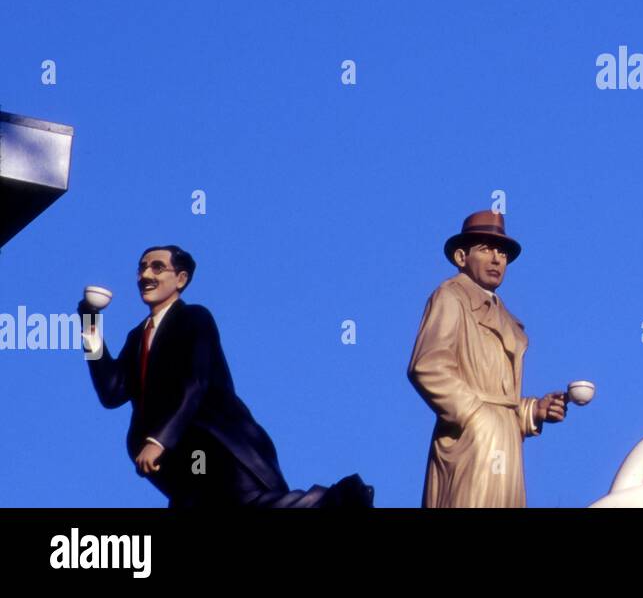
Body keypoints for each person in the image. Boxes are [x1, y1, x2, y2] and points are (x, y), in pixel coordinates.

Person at [81, 245, 373, 507]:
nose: (146, 274)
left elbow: (195, 384)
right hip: (180, 465)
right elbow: (112, 391)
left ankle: (340, 501)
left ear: (180, 279)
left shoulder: (194, 318)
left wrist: (158, 441)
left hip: (216, 448)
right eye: (142, 267)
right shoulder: (137, 338)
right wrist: (90, 325)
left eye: (157, 267)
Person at [407, 211, 567, 507]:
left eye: (502, 253)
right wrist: (474, 415)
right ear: (461, 257)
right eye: (486, 249)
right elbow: (427, 366)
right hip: (471, 442)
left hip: (505, 443)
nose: (496, 259)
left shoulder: (508, 320)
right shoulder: (451, 296)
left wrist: (534, 411)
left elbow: (501, 398)